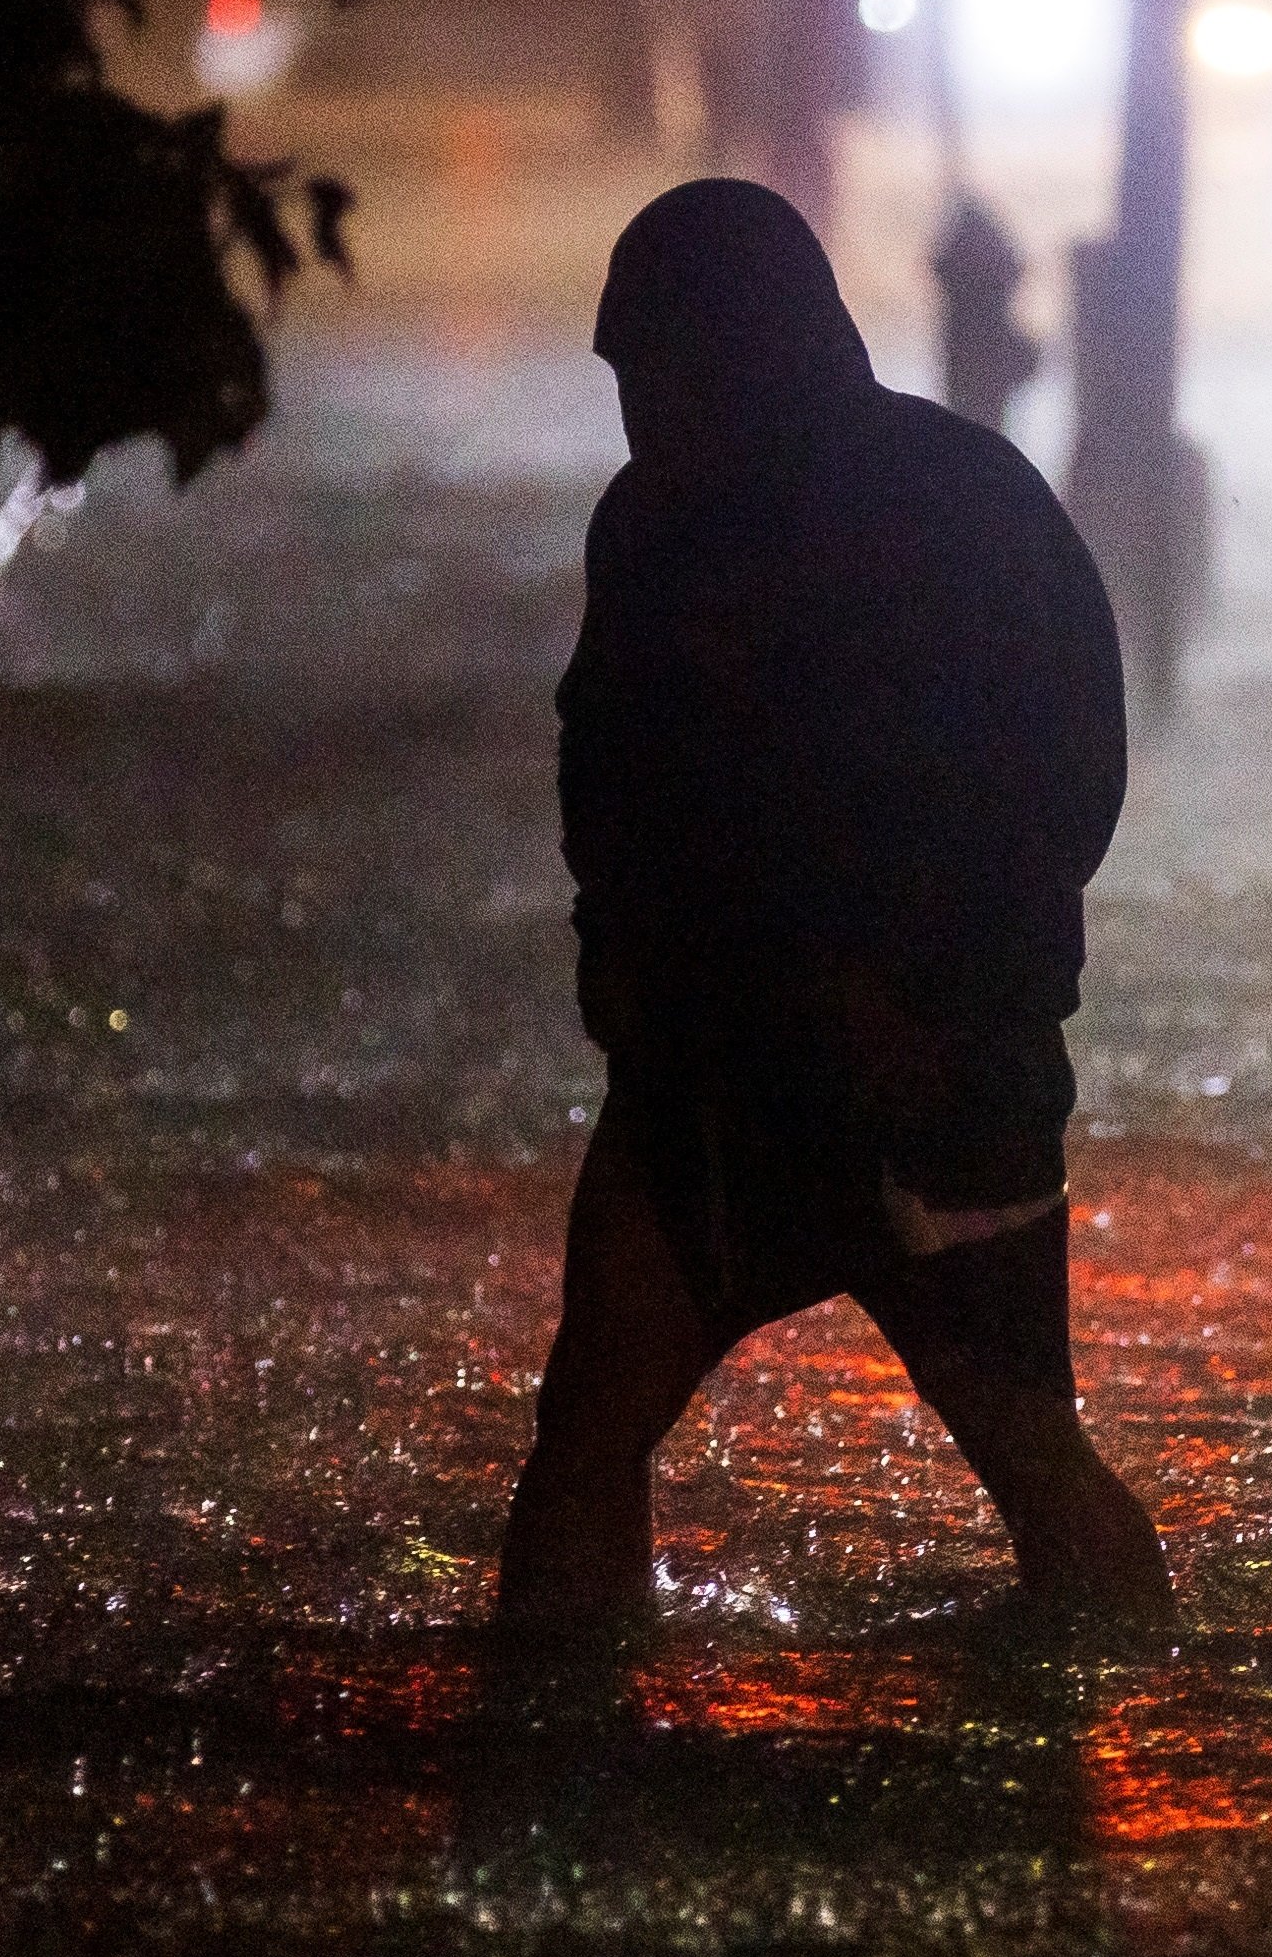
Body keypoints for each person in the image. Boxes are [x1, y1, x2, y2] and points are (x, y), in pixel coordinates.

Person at [491, 176, 1170, 1640]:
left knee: (1028, 1448)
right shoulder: (653, 530)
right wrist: (617, 954)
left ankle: (1137, 1701)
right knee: (589, 1425)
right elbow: (603, 754)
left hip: (925, 1077)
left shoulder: (957, 516)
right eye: (623, 378)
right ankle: (550, 1734)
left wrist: (932, 988)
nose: (643, 411)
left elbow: (1051, 781)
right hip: (717, 1078)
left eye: (665, 370)